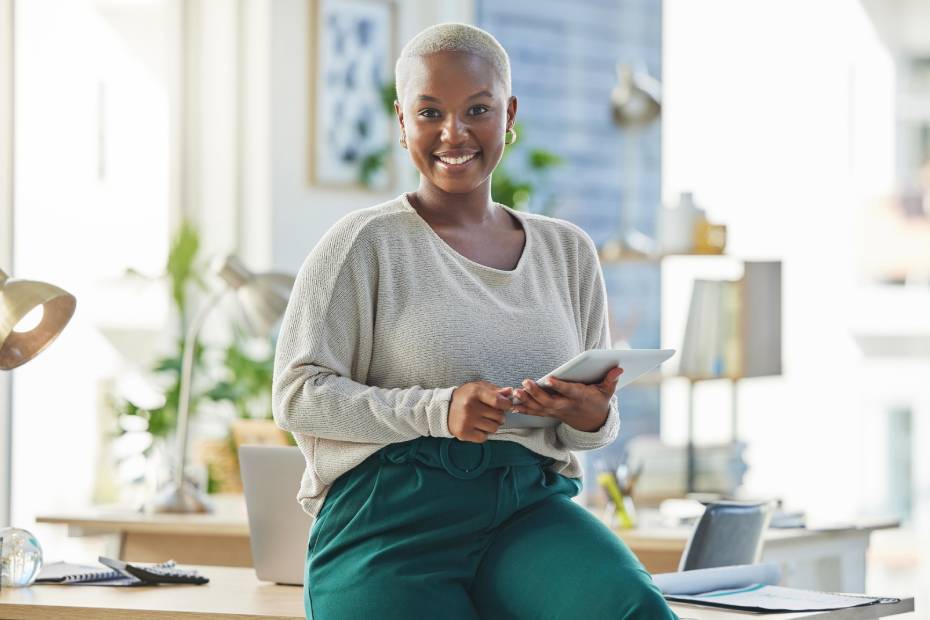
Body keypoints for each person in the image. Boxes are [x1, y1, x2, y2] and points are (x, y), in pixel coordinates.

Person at [272, 22, 678, 620]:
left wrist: (589, 414)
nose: (453, 133)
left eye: (477, 109)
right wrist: (439, 409)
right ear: (402, 120)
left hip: (528, 510)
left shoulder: (568, 252)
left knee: (631, 610)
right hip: (391, 519)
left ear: (508, 114)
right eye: (429, 112)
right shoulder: (365, 244)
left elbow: (592, 423)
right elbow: (297, 395)